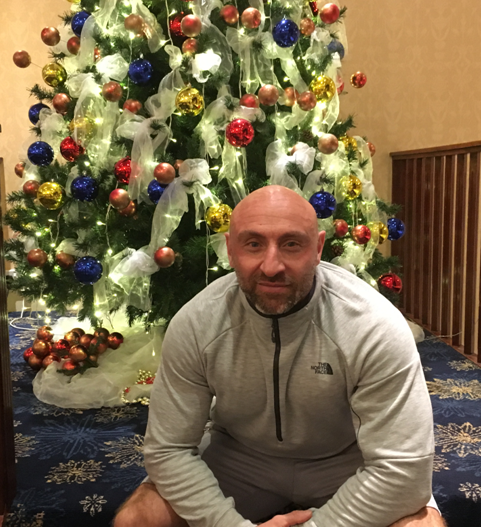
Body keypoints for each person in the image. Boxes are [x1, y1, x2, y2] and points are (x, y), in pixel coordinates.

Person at [114, 185, 445, 527]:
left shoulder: (373, 325)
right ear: (230, 249)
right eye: (253, 244)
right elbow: (168, 450)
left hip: (345, 462)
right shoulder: (196, 322)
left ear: (318, 249)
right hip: (240, 458)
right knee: (137, 520)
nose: (271, 266)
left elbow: (403, 470)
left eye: (291, 244)